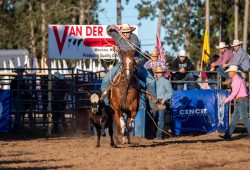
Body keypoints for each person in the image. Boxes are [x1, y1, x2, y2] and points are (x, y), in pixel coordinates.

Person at [100, 24, 147, 103]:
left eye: (127, 32)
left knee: (151, 82)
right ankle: (106, 102)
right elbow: (108, 31)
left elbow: (132, 48)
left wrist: (118, 48)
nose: (126, 34)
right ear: (122, 32)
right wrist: (111, 27)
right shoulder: (118, 36)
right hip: (122, 64)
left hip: (134, 63)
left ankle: (153, 103)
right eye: (124, 32)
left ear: (130, 32)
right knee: (106, 79)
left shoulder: (134, 37)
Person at [219, 65, 250, 140]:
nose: (228, 73)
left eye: (229, 72)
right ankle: (228, 135)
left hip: (241, 100)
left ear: (233, 72)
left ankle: (228, 135)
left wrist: (226, 100)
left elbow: (234, 93)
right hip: (241, 100)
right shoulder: (238, 79)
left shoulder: (236, 80)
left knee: (244, 118)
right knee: (235, 119)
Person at [149, 66, 173, 139]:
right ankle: (154, 134)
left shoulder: (166, 81)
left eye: (160, 72)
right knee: (154, 117)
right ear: (155, 73)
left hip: (161, 102)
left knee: (160, 119)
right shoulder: (153, 81)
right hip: (154, 101)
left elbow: (170, 92)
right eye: (157, 72)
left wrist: (164, 99)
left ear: (162, 73)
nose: (158, 74)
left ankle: (158, 136)